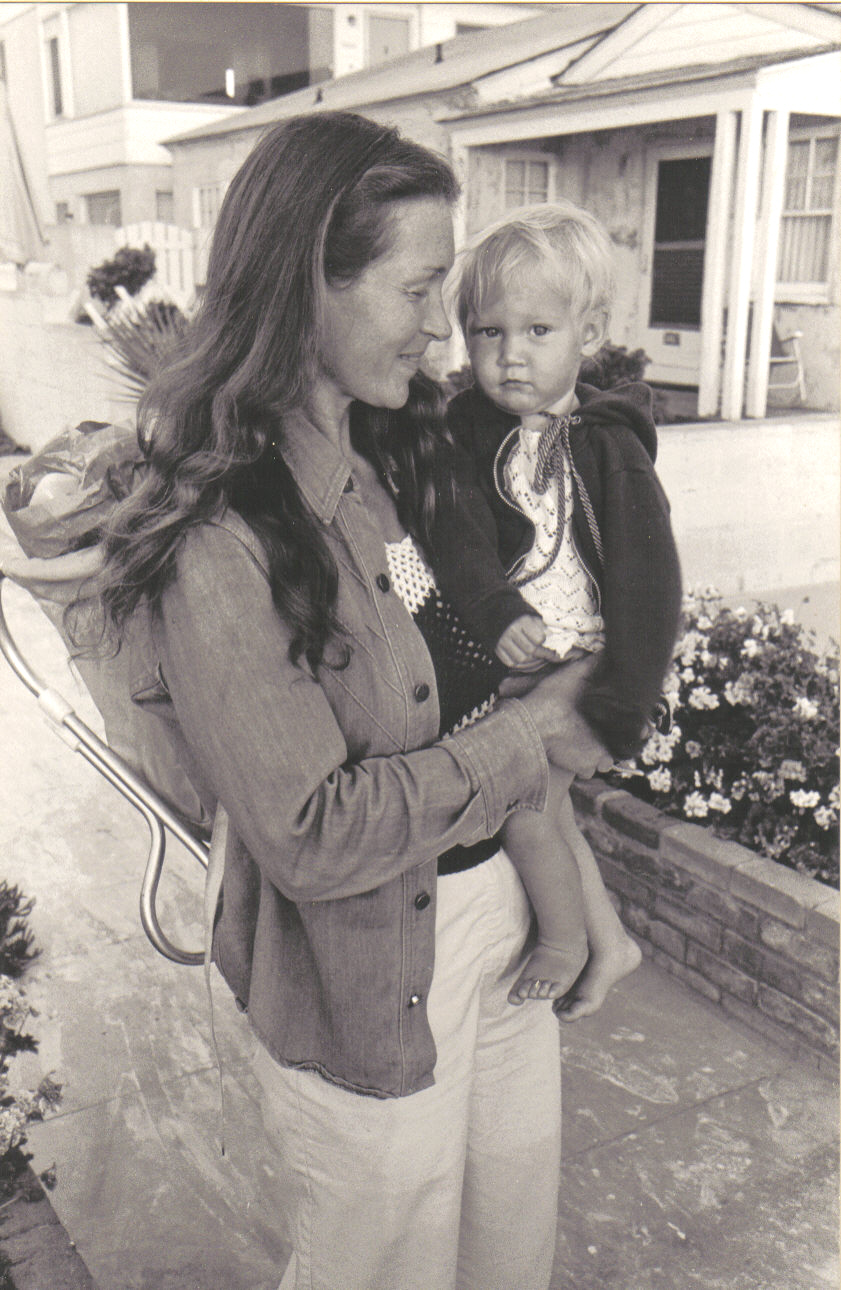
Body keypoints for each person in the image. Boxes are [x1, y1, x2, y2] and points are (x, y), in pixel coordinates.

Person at [92, 112, 616, 1290]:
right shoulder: (219, 536)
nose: (442, 327)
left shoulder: (385, 461)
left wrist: (568, 876)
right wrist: (528, 735)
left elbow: (451, 671)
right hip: (368, 978)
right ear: (304, 285)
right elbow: (312, 835)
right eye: (418, 289)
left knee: (507, 1251)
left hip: (500, 934)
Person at [428, 202, 683, 1012]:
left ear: (588, 332)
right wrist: (496, 612)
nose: (509, 355)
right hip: (514, 650)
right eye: (488, 333)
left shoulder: (609, 443)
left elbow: (650, 583)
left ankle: (565, 941)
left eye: (537, 331)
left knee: (525, 808)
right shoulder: (465, 432)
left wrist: (618, 708)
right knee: (550, 810)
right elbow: (456, 535)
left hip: (580, 659)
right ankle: (610, 944)